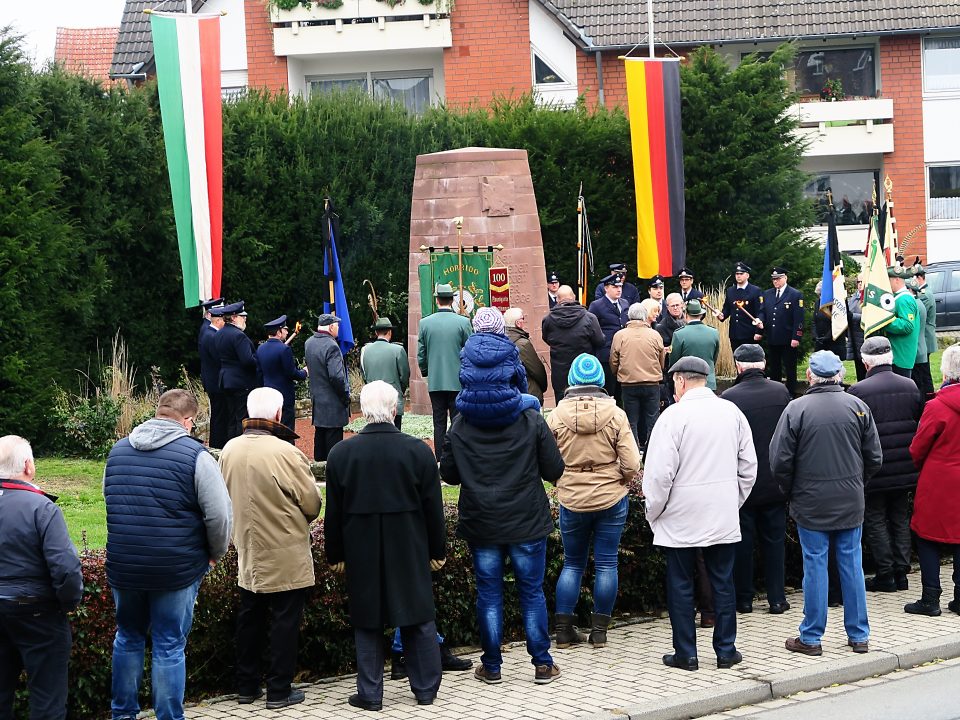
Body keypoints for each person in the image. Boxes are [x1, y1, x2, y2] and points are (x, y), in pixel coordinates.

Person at [103, 389, 233, 720]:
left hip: (125, 564)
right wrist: (215, 553)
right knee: (169, 644)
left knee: (127, 638)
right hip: (176, 568)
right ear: (188, 421)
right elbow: (219, 515)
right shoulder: (197, 456)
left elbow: (110, 500)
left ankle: (122, 714)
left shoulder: (117, 452)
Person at [325, 381, 447, 710]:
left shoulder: (341, 454)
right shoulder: (418, 451)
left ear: (363, 412)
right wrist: (438, 550)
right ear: (395, 410)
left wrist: (334, 554)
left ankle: (370, 693)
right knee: (417, 614)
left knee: (367, 620)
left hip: (360, 547)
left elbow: (333, 512)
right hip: (409, 544)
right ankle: (425, 688)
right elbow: (434, 509)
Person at [439, 385, 565, 685]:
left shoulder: (461, 423)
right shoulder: (530, 418)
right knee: (531, 592)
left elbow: (449, 474)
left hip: (482, 521)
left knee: (489, 593)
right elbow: (553, 468)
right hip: (526, 519)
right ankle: (542, 664)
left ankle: (492, 665)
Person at [643, 356, 757, 672]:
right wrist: (732, 501)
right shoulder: (732, 412)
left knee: (680, 584)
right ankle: (726, 650)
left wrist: (654, 511)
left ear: (680, 381)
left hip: (679, 515)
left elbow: (659, 475)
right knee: (723, 581)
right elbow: (749, 467)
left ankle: (686, 653)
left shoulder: (672, 417)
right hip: (720, 512)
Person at [770, 351, 882, 656]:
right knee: (852, 565)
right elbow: (874, 457)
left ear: (810, 376)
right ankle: (859, 635)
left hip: (810, 502)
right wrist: (857, 483)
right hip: (850, 500)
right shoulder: (857, 407)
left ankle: (811, 636)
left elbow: (779, 460)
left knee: (815, 565)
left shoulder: (797, 409)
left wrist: (791, 490)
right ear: (840, 376)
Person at [219, 387, 321, 710]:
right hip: (285, 548)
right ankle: (279, 690)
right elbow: (312, 503)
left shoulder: (229, 450)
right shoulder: (286, 453)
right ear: (278, 415)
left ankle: (246, 686)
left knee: (250, 617)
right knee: (284, 621)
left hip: (247, 547)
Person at [546, 354, 641, 649]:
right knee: (607, 564)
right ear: (600, 380)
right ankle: (599, 632)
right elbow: (632, 463)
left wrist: (560, 481)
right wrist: (622, 479)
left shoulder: (555, 416)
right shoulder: (616, 414)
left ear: (571, 380)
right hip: (611, 497)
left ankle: (564, 631)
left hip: (572, 497)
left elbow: (546, 461)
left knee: (572, 564)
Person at [0, 435, 83, 720]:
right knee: (48, 701)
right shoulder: (41, 507)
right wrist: (67, 603)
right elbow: (66, 568)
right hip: (38, 611)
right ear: (28, 466)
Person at [721, 344, 793, 615]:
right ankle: (777, 598)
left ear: (738, 366)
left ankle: (743, 599)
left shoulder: (729, 397)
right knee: (775, 543)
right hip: (774, 481)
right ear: (763, 364)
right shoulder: (780, 392)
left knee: (742, 543)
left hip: (743, 482)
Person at [847, 336, 921, 592]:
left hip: (874, 469)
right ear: (891, 358)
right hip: (904, 467)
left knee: (876, 518)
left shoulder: (858, 392)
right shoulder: (910, 385)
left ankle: (886, 574)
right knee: (900, 517)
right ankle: (902, 573)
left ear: (865, 363)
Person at [904, 344, 960, 617]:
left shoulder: (936, 406)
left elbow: (918, 447)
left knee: (926, 536)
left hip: (938, 481)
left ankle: (930, 598)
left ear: (946, 371)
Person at [417, 283, 473, 457]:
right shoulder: (463, 322)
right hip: (458, 380)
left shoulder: (425, 323)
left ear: (437, 300)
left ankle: (440, 459)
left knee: (439, 422)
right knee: (457, 421)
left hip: (436, 381)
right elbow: (470, 351)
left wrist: (427, 372)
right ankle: (457, 457)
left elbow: (421, 354)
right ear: (452, 300)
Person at [456, 307, 530, 427]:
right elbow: (521, 381)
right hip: (506, 409)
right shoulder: (511, 350)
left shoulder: (465, 351)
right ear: (501, 327)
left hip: (471, 409)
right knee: (534, 402)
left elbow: (462, 380)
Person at [609, 299, 667, 450]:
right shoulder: (654, 335)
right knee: (652, 418)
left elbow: (613, 360)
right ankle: (652, 451)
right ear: (644, 316)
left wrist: (618, 373)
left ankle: (634, 451)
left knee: (631, 420)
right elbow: (661, 359)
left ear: (629, 316)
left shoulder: (619, 335)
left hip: (628, 383)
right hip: (652, 382)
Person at [542, 284, 604, 401]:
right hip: (585, 370)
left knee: (562, 403)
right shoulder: (589, 318)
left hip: (560, 370)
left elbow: (546, 338)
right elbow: (600, 341)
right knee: (587, 404)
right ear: (574, 297)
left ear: (557, 299)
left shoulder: (548, 320)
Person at [304, 313, 350, 461]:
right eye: (337, 326)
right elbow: (336, 377)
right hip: (333, 405)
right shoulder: (332, 346)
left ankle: (318, 471)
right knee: (333, 450)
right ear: (330, 327)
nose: (338, 329)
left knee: (320, 443)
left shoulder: (309, 343)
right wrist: (345, 397)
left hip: (318, 403)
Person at [755, 267, 804, 396]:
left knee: (790, 367)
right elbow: (762, 311)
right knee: (774, 367)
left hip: (788, 337)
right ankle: (775, 392)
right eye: (773, 279)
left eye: (778, 279)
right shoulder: (767, 294)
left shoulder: (795, 294)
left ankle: (791, 392)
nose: (775, 281)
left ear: (785, 278)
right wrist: (760, 322)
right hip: (773, 336)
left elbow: (798, 318)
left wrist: (796, 337)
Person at [216, 301, 260, 443]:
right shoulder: (238, 335)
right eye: (242, 316)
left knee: (232, 417)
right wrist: (258, 361)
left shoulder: (219, 333)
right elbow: (247, 360)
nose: (245, 319)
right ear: (234, 317)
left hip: (226, 380)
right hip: (241, 382)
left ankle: (230, 446)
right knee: (242, 418)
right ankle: (240, 448)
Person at [257, 315, 307, 433]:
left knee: (271, 429)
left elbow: (259, 373)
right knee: (286, 429)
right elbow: (291, 373)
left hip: (268, 394)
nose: (287, 332)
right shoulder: (284, 349)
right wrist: (304, 372)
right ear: (279, 332)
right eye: (285, 329)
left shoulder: (260, 349)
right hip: (284, 396)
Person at [360, 317, 410, 430]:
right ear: (390, 332)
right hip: (392, 402)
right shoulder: (398, 350)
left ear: (376, 332)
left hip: (372, 402)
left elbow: (364, 375)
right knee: (394, 435)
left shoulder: (365, 350)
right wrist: (399, 392)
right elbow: (404, 376)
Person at [587, 275, 630, 398]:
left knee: (622, 391)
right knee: (609, 390)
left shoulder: (624, 303)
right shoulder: (597, 305)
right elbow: (591, 328)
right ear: (606, 288)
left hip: (624, 352)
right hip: (606, 353)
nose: (619, 289)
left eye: (620, 286)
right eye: (615, 287)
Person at [669, 300, 720, 391]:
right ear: (701, 315)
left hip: (687, 383)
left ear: (686, 314)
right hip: (708, 381)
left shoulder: (679, 334)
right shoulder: (714, 332)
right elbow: (714, 357)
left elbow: (674, 362)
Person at [881, 264, 920, 378]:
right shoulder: (899, 297)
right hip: (899, 354)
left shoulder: (904, 299)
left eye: (888, 280)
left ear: (897, 280)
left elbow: (907, 325)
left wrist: (885, 323)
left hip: (901, 356)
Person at [716, 262, 764, 353]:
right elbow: (727, 309)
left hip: (749, 333)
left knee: (749, 359)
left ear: (747, 275)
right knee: (736, 358)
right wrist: (721, 315)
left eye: (741, 274)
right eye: (737, 274)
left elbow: (760, 312)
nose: (738, 276)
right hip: (734, 334)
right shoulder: (730, 291)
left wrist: (758, 332)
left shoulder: (755, 291)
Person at [503, 307, 548, 404]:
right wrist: (543, 387)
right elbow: (536, 370)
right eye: (523, 319)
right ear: (518, 323)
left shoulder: (501, 341)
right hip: (527, 392)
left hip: (508, 392)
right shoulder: (522, 344)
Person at [199, 303, 227, 448]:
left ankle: (217, 444)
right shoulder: (211, 335)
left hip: (213, 381)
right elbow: (218, 359)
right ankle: (217, 446)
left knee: (218, 416)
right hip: (216, 383)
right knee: (219, 418)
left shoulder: (208, 332)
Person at [907, 276, 932, 405]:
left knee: (919, 383)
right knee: (923, 381)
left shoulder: (914, 304)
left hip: (916, 349)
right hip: (920, 347)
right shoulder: (918, 302)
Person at [914, 264, 937, 400]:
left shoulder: (925, 295)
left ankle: (929, 398)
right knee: (924, 372)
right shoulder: (924, 292)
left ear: (919, 278)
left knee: (924, 373)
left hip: (925, 338)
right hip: (925, 337)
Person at [813, 281, 847, 357]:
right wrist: (815, 335)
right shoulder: (817, 303)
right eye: (819, 295)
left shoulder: (836, 305)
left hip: (833, 342)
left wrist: (827, 337)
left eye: (822, 294)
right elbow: (814, 321)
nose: (820, 297)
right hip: (819, 341)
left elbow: (837, 322)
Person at [846, 280, 867, 381]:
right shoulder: (853, 297)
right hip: (853, 336)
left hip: (864, 336)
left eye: (862, 282)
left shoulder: (869, 297)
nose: (860, 284)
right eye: (858, 282)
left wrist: (853, 316)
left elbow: (870, 316)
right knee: (858, 367)